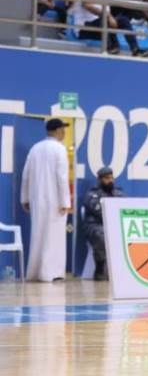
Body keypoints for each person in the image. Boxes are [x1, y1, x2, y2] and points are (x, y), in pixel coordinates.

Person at [20, 118, 72, 282]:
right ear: (57, 131)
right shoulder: (59, 149)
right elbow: (62, 177)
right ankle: (51, 273)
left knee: (38, 234)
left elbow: (26, 175)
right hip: (54, 200)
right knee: (53, 237)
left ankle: (34, 272)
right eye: (62, 129)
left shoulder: (35, 148)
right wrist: (65, 201)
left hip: (37, 199)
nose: (64, 132)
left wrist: (25, 198)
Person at [82, 166, 124, 280]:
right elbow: (99, 212)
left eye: (111, 178)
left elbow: (124, 209)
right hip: (95, 225)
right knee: (102, 236)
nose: (110, 181)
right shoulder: (92, 194)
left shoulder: (118, 193)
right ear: (100, 180)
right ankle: (100, 268)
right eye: (106, 178)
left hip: (114, 225)